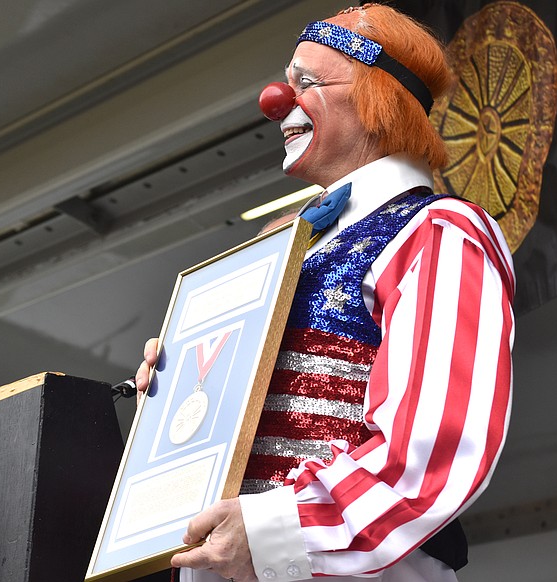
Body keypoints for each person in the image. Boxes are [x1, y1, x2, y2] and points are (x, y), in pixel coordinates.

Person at [136, 4, 515, 581]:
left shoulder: (436, 231)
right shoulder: (284, 252)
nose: (275, 101)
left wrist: (275, 532)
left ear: (377, 100)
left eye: (306, 82)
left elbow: (434, 447)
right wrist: (174, 401)